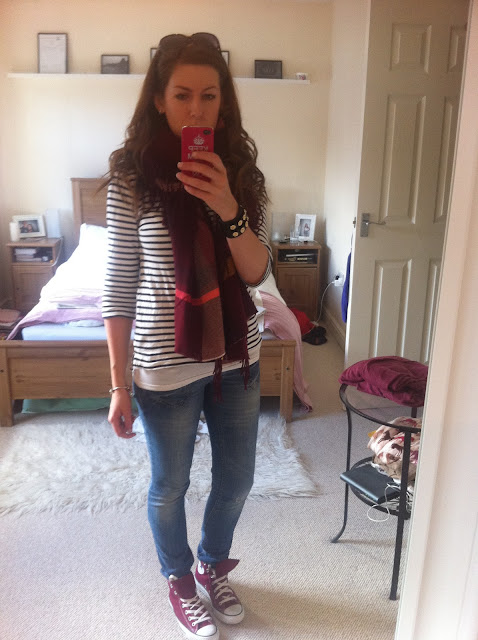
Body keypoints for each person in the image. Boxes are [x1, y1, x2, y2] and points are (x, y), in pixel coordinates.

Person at [102, 32, 271, 640]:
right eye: (182, 95)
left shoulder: (242, 174)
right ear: (158, 99)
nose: (196, 109)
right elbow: (118, 286)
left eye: (209, 95)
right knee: (170, 484)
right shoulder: (130, 178)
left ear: (223, 102)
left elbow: (257, 272)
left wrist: (227, 205)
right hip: (163, 364)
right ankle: (178, 579)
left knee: (238, 478)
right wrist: (118, 385)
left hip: (237, 357)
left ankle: (211, 563)